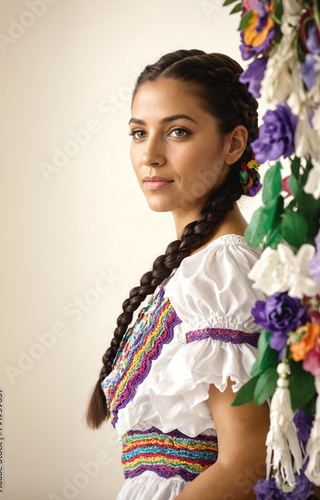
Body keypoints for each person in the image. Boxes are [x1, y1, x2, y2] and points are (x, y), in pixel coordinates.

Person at [86, 49, 270, 500]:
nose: (149, 155)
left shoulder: (221, 270)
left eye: (178, 132)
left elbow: (247, 463)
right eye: (137, 132)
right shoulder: (196, 268)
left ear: (233, 143)